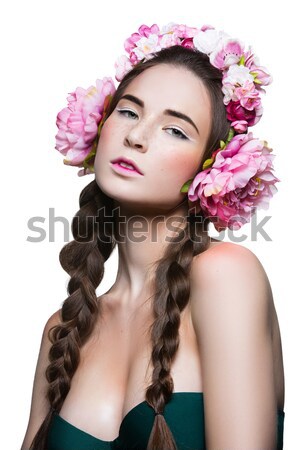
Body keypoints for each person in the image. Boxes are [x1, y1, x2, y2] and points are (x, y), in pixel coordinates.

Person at [21, 23, 285, 450]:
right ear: (99, 127)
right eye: (128, 111)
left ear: (212, 168)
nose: (136, 136)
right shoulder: (62, 331)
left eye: (175, 129)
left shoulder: (225, 276)